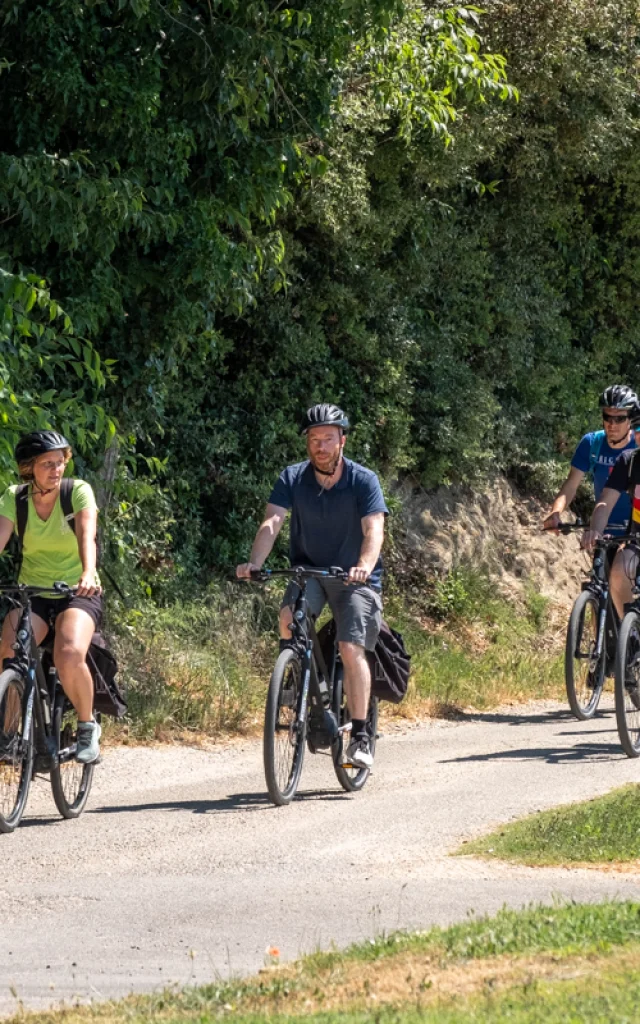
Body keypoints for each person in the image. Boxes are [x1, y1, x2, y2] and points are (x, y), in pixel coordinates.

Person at [236, 403, 388, 768]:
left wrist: (364, 567)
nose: (320, 446)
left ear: (342, 442)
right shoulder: (292, 478)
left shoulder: (363, 480)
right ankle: (302, 684)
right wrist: (255, 563)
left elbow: (374, 530)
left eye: (328, 439)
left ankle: (361, 733)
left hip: (352, 578)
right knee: (288, 617)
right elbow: (272, 522)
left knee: (351, 648)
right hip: (309, 571)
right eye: (314, 439)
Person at [0, 431, 102, 763]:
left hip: (76, 591)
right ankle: (9, 732)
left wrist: (88, 572)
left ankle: (87, 726)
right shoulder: (14, 499)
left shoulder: (77, 492)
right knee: (8, 649)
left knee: (69, 653)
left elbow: (88, 535)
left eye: (60, 462)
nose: (57, 469)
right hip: (33, 592)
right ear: (29, 468)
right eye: (48, 463)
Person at [543, 384, 638, 535]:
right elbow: (571, 484)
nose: (612, 424)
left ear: (630, 420)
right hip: (601, 529)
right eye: (607, 417)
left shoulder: (637, 444)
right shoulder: (592, 443)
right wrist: (556, 512)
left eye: (619, 418)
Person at [581, 409, 640, 619]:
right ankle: (631, 636)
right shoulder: (629, 461)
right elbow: (605, 501)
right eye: (639, 429)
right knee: (618, 572)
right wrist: (595, 530)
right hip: (637, 537)